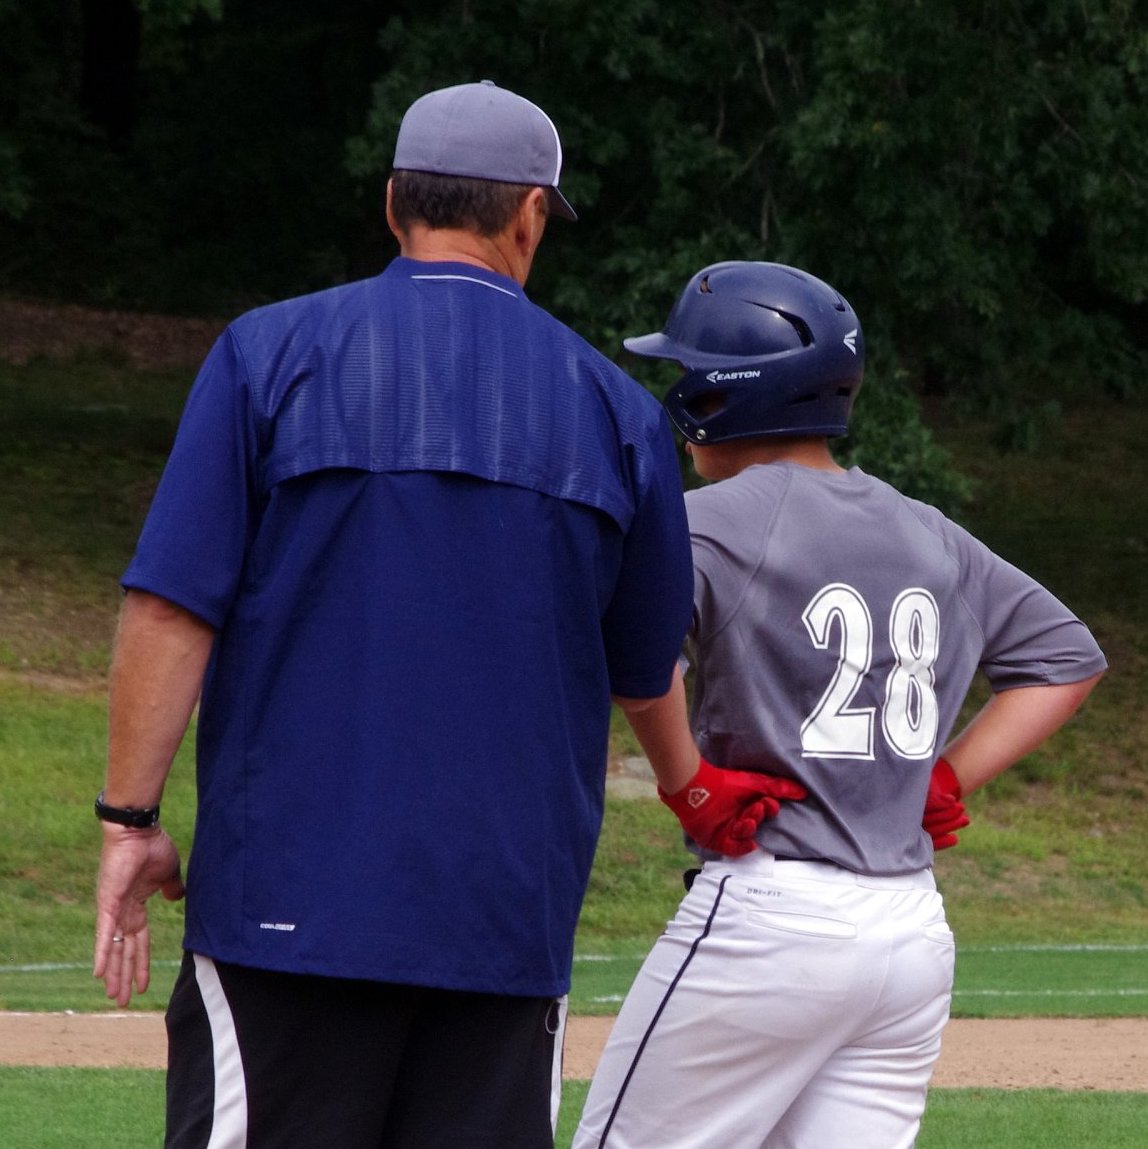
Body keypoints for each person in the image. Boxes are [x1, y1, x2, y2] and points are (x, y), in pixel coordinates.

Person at [90, 83, 799, 1149]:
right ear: (527, 215)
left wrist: (130, 825)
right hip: (504, 924)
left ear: (392, 206)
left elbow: (171, 609)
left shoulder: (267, 355)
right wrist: (688, 786)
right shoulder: (615, 409)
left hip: (289, 911)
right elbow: (645, 665)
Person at [573, 260, 1107, 1149]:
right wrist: (946, 775)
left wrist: (686, 780)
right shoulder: (927, 529)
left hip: (769, 913)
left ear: (724, 393)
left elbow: (640, 655)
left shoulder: (706, 519)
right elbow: (1068, 659)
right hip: (908, 931)